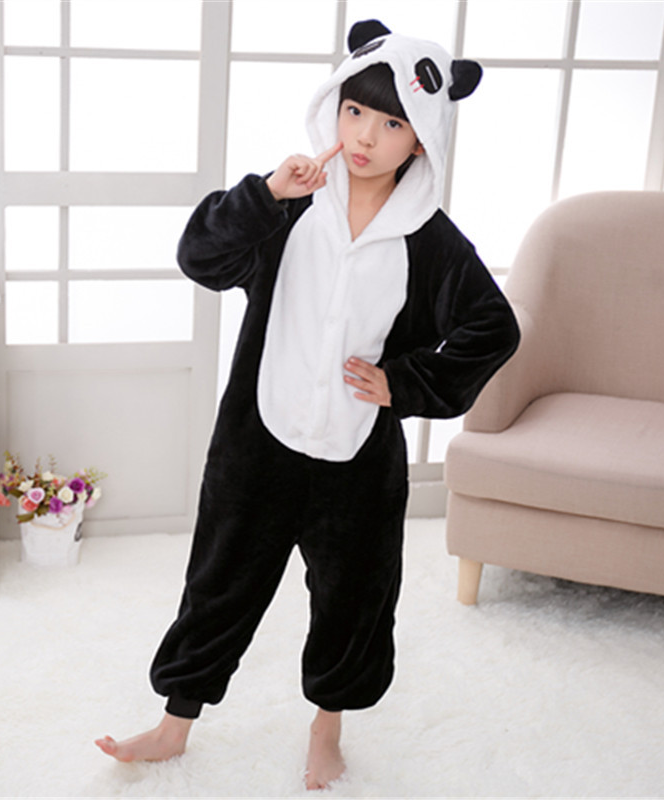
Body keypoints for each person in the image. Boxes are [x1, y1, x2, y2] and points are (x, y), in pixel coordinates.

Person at [95, 19, 520, 790]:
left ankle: (327, 730)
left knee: (352, 603)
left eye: (392, 124)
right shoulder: (290, 206)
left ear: (420, 140)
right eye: (355, 111)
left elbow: (494, 327)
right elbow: (200, 258)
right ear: (333, 108)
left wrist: (405, 383)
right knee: (219, 585)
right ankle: (173, 726)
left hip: (358, 460)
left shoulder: (429, 240)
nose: (365, 136)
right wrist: (262, 195)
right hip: (257, 442)